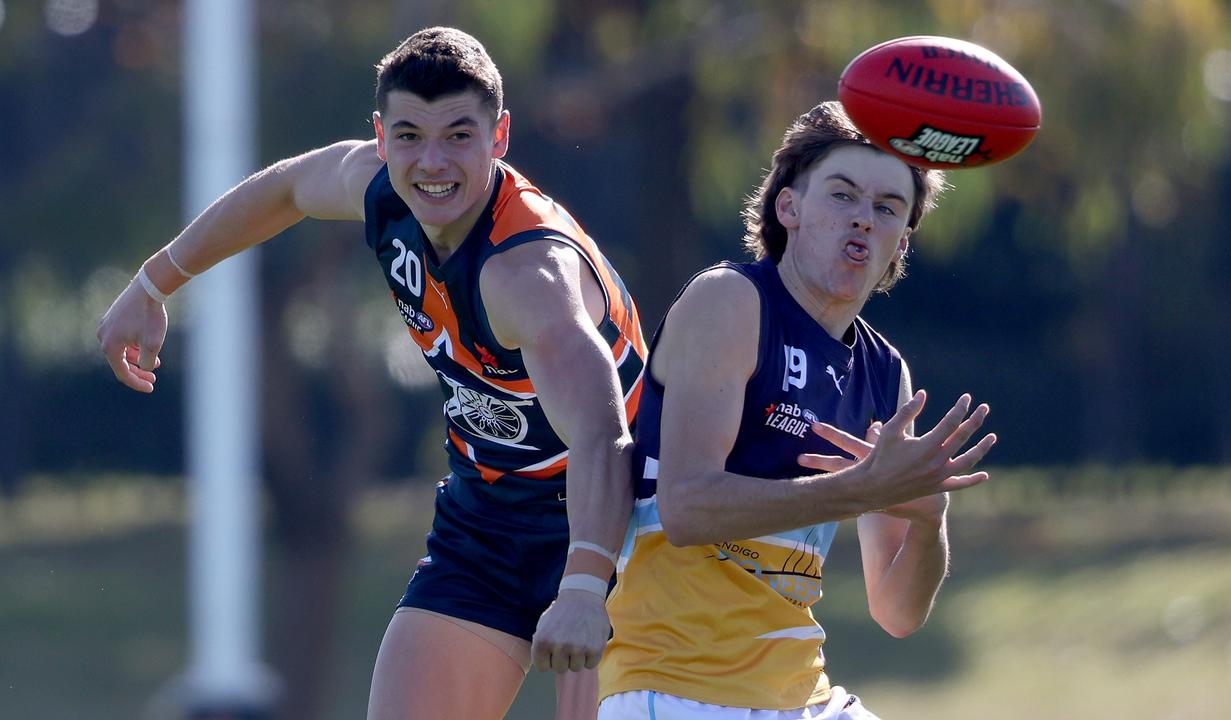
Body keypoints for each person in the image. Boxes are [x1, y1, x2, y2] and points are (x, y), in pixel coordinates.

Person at [96, 27, 646, 720]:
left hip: (619, 522)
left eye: (459, 135)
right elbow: (289, 188)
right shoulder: (379, 188)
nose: (433, 161)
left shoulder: (527, 273)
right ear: (381, 138)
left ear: (499, 137)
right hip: (488, 520)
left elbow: (604, 436)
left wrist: (584, 586)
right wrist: (153, 283)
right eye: (411, 135)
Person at [597, 101, 998, 719]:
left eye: (887, 207)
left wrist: (927, 519)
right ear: (789, 209)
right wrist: (859, 489)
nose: (864, 219)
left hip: (803, 699)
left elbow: (896, 612)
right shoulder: (729, 303)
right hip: (677, 688)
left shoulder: (885, 377)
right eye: (842, 196)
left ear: (902, 241)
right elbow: (686, 506)